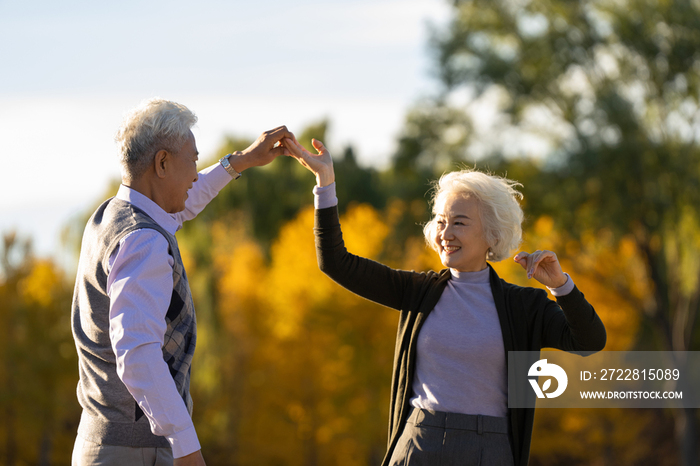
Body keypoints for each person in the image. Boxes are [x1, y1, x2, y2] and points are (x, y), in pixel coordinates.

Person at [283, 138, 606, 466]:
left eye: (460, 222)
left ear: (492, 234)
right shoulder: (416, 291)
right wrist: (325, 182)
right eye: (440, 220)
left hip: (491, 450)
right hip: (419, 443)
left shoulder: (525, 306)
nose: (445, 233)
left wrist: (561, 287)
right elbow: (336, 263)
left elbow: (589, 341)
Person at [71, 97, 293, 466]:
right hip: (134, 452)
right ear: (162, 163)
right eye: (192, 159)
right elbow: (138, 353)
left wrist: (240, 161)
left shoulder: (115, 215)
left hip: (107, 442)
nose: (194, 172)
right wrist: (186, 446)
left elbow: (185, 201)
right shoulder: (144, 241)